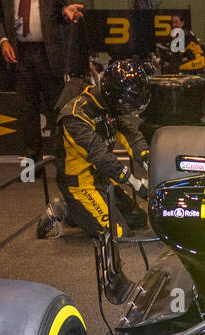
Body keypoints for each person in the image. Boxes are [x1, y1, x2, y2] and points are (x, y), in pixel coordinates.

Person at [38, 60, 151, 239]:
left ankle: (77, 211)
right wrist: (136, 183)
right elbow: (100, 156)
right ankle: (67, 208)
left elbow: (131, 136)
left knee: (138, 219)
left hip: (101, 178)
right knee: (120, 234)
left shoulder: (110, 106)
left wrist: (148, 161)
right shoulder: (75, 117)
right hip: (80, 184)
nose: (129, 109)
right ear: (115, 96)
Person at [0, 1, 89, 162]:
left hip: (48, 53)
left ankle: (64, 161)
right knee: (26, 110)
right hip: (20, 54)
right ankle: (32, 165)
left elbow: (62, 8)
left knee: (58, 109)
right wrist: (3, 40)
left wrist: (65, 11)